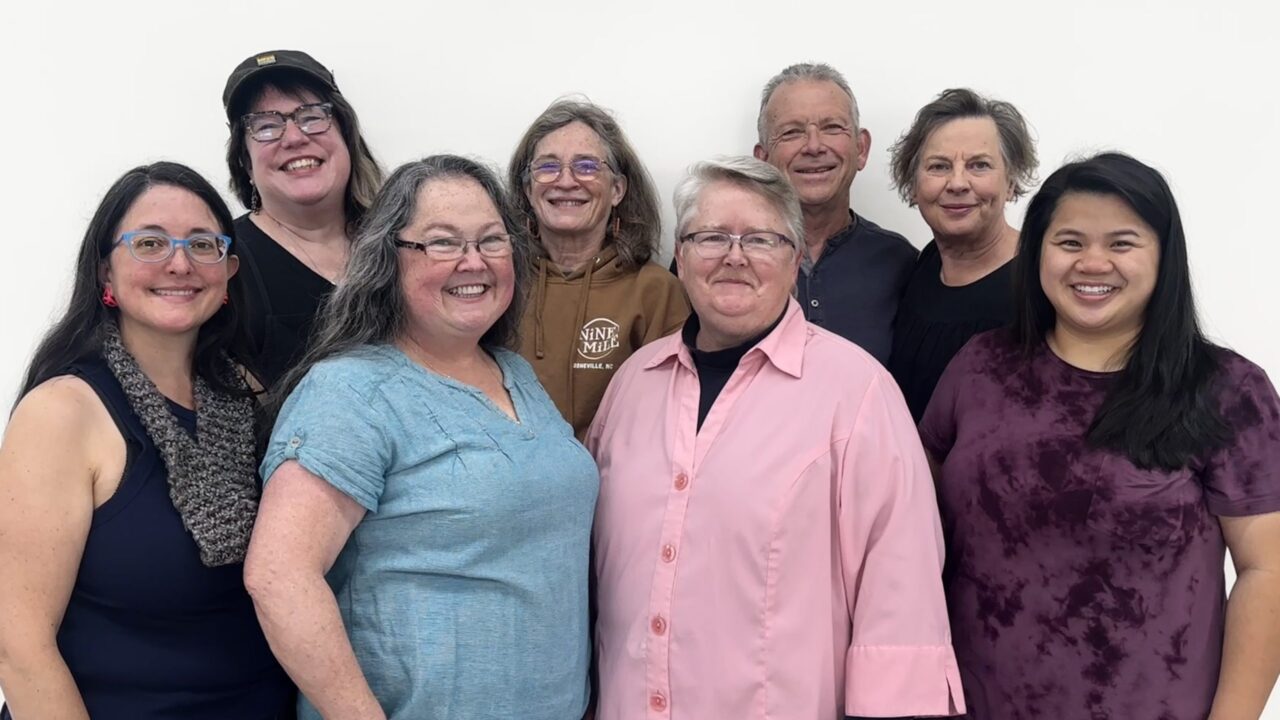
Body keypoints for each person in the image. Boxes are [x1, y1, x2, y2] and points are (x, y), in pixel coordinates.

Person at [589, 156, 964, 719]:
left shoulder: (857, 392)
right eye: (711, 236)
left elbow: (902, 595)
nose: (734, 256)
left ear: (794, 264)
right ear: (681, 257)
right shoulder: (632, 385)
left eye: (761, 239)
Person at [922, 153, 1280, 718]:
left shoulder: (1226, 388)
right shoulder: (981, 367)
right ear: (1037, 252)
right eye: (1069, 242)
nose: (1093, 263)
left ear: (1163, 256)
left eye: (1121, 243)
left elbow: (1268, 569)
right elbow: (914, 525)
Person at [244, 155, 597, 720]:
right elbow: (279, 576)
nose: (473, 262)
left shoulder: (516, 374)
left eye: (491, 240)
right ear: (388, 258)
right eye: (441, 243)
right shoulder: (350, 391)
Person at [0, 162, 294, 719]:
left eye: (202, 244)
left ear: (229, 270)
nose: (180, 263)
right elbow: (20, 650)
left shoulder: (250, 395)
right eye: (150, 243)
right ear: (104, 272)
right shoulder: (62, 414)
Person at [508, 99, 688, 438]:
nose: (565, 181)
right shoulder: (500, 283)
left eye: (587, 166)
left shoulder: (656, 291)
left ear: (617, 189)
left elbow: (673, 418)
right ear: (527, 189)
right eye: (547, 167)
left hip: (618, 485)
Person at [222, 49, 384, 386]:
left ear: (346, 137)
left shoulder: (400, 241)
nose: (295, 138)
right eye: (266, 126)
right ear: (245, 163)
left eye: (311, 117)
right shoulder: (223, 264)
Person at [886, 88, 1038, 420]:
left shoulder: (1040, 282)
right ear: (913, 185)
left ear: (1010, 181)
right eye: (939, 167)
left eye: (979, 165)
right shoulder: (923, 266)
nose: (957, 183)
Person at [751, 62, 917, 364]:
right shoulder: (720, 257)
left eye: (831, 128)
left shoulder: (902, 264)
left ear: (861, 148)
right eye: (791, 132)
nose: (814, 146)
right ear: (762, 160)